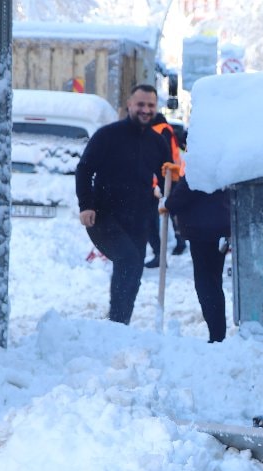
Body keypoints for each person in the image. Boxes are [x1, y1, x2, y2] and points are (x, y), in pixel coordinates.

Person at [76, 84, 170, 324]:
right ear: (129, 105)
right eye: (140, 104)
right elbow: (85, 169)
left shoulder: (157, 142)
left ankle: (121, 322)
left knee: (134, 269)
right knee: (128, 260)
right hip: (104, 216)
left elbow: (166, 177)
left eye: (150, 105)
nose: (145, 110)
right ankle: (117, 323)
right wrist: (86, 205)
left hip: (139, 219)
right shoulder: (108, 135)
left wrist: (170, 196)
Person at [161, 175, 230, 342]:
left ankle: (216, 336)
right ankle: (218, 334)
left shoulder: (199, 164)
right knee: (213, 283)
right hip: (219, 228)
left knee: (206, 285)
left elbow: (181, 196)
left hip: (202, 232)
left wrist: (166, 203)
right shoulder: (217, 159)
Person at [146, 111, 186, 268]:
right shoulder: (167, 129)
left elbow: (159, 158)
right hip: (172, 176)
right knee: (171, 211)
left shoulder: (157, 131)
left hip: (162, 178)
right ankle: (178, 241)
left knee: (152, 217)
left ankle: (159, 253)